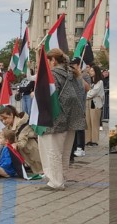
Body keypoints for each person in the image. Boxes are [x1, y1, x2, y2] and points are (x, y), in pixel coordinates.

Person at [37, 48, 86, 191]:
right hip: (72, 118)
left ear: (53, 60)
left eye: (47, 60)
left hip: (55, 118)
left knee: (51, 150)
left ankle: (55, 182)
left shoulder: (52, 74)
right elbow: (80, 93)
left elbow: (48, 97)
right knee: (64, 151)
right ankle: (60, 177)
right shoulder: (73, 74)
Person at [0, 105, 42, 174]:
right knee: (7, 148)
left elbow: (22, 143)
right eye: (1, 120)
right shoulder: (9, 126)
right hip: (24, 156)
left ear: (12, 115)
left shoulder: (23, 125)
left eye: (5, 118)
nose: (3, 121)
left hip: (32, 155)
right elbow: (4, 140)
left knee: (9, 148)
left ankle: (5, 169)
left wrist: (15, 144)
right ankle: (4, 167)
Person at [69, 57, 90, 162]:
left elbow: (87, 88)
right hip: (71, 105)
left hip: (80, 105)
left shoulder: (85, 75)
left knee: (79, 128)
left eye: (73, 64)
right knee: (72, 129)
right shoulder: (70, 75)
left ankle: (80, 147)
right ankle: (72, 151)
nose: (71, 66)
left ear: (78, 65)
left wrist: (79, 75)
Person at [85, 65, 105, 147]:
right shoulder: (91, 82)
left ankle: (94, 140)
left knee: (94, 122)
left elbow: (93, 93)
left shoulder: (100, 82)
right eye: (91, 70)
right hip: (88, 103)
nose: (90, 72)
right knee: (88, 121)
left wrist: (85, 95)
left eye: (92, 71)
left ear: (96, 72)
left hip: (95, 104)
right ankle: (88, 139)